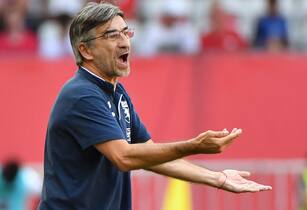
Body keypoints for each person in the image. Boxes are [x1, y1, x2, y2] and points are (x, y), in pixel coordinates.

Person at [38, 2, 272, 210]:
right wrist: (193, 146)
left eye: (125, 32)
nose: (124, 42)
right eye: (111, 35)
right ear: (85, 50)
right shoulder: (81, 95)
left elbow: (152, 155)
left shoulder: (117, 93)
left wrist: (216, 178)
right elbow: (124, 157)